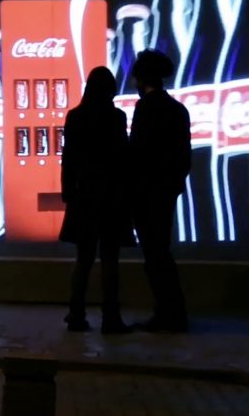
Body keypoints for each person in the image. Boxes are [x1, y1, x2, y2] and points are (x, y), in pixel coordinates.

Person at [59, 66, 133, 334]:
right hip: (112, 197)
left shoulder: (75, 117)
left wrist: (68, 191)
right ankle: (111, 318)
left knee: (84, 259)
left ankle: (76, 313)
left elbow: (68, 160)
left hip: (84, 196)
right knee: (110, 261)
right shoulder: (117, 117)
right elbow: (123, 159)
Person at [129, 50, 191, 333]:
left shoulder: (145, 109)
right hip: (167, 191)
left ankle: (167, 314)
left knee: (154, 255)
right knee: (162, 251)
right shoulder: (178, 110)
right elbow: (183, 157)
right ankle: (173, 311)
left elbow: (137, 154)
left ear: (142, 78)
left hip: (145, 193)